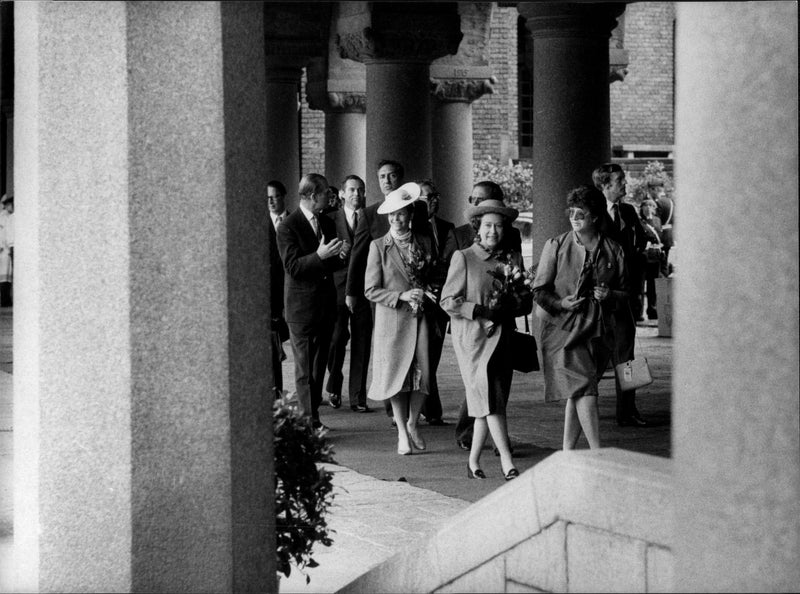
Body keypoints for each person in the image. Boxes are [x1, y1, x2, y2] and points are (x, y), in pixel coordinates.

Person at [532, 185, 629, 450]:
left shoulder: (614, 250)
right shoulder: (556, 245)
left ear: (595, 217)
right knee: (586, 389)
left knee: (579, 391)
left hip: (598, 331)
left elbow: (626, 295)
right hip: (562, 329)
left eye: (581, 213)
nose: (574, 218)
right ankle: (598, 452)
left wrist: (609, 295)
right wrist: (561, 302)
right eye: (571, 212)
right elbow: (539, 291)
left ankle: (567, 452)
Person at [440, 198, 530, 480]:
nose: (493, 232)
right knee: (489, 399)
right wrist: (477, 309)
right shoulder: (463, 257)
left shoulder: (511, 259)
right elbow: (447, 300)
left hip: (502, 338)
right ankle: (507, 461)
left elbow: (526, 299)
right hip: (473, 341)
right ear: (478, 228)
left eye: (499, 226)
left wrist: (512, 306)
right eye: (488, 226)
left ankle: (473, 462)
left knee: (489, 403)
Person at [345, 160, 430, 422]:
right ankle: (381, 407)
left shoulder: (418, 219)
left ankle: (413, 416)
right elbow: (359, 255)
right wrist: (351, 291)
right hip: (384, 297)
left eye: (392, 175)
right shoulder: (370, 215)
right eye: (382, 176)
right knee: (385, 357)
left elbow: (429, 258)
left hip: (417, 305)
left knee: (420, 363)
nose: (387, 180)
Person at [364, 182, 436, 455]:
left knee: (423, 375)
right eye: (392, 214)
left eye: (401, 213)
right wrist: (401, 296)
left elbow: (433, 276)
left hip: (420, 320)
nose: (396, 219)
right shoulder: (378, 247)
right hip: (393, 321)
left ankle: (413, 422)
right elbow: (370, 290)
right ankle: (402, 434)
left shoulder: (424, 243)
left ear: (410, 214)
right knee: (397, 376)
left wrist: (428, 293)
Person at [276, 173, 348, 430]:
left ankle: (312, 415)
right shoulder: (288, 226)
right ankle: (308, 422)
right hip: (301, 309)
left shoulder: (327, 223)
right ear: (311, 195)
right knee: (305, 370)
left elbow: (331, 263)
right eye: (326, 193)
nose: (330, 197)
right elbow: (292, 266)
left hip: (325, 306)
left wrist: (340, 255)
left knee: (318, 369)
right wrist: (319, 255)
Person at [592, 163, 649, 427]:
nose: (625, 185)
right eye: (619, 181)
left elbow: (639, 242)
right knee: (595, 356)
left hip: (623, 294)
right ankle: (584, 409)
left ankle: (628, 410)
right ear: (604, 185)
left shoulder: (628, 211)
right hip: (599, 296)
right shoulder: (592, 213)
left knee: (628, 354)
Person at [324, 175, 373, 412]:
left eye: (361, 190)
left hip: (364, 289)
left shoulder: (371, 218)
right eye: (352, 190)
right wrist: (336, 253)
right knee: (336, 339)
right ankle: (334, 385)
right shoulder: (329, 219)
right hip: (337, 288)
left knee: (362, 342)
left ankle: (358, 397)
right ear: (342, 194)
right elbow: (320, 252)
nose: (357, 194)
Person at [416, 180, 455, 426]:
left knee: (433, 354)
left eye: (434, 196)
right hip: (420, 299)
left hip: (441, 300)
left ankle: (429, 406)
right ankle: (427, 408)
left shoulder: (447, 227)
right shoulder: (413, 228)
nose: (433, 201)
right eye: (427, 197)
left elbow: (450, 260)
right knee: (421, 357)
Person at [639, 198, 666, 320]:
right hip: (643, 256)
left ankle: (652, 309)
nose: (649, 208)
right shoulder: (639, 222)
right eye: (646, 205)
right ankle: (638, 312)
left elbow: (660, 236)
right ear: (642, 208)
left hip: (655, 256)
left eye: (651, 205)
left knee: (653, 285)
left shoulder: (658, 220)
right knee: (640, 286)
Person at [0, 194, 13, 308]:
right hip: (3, 249)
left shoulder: (9, 216)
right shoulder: (3, 217)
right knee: (4, 276)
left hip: (7, 249)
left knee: (6, 277)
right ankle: (4, 300)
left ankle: (6, 299)